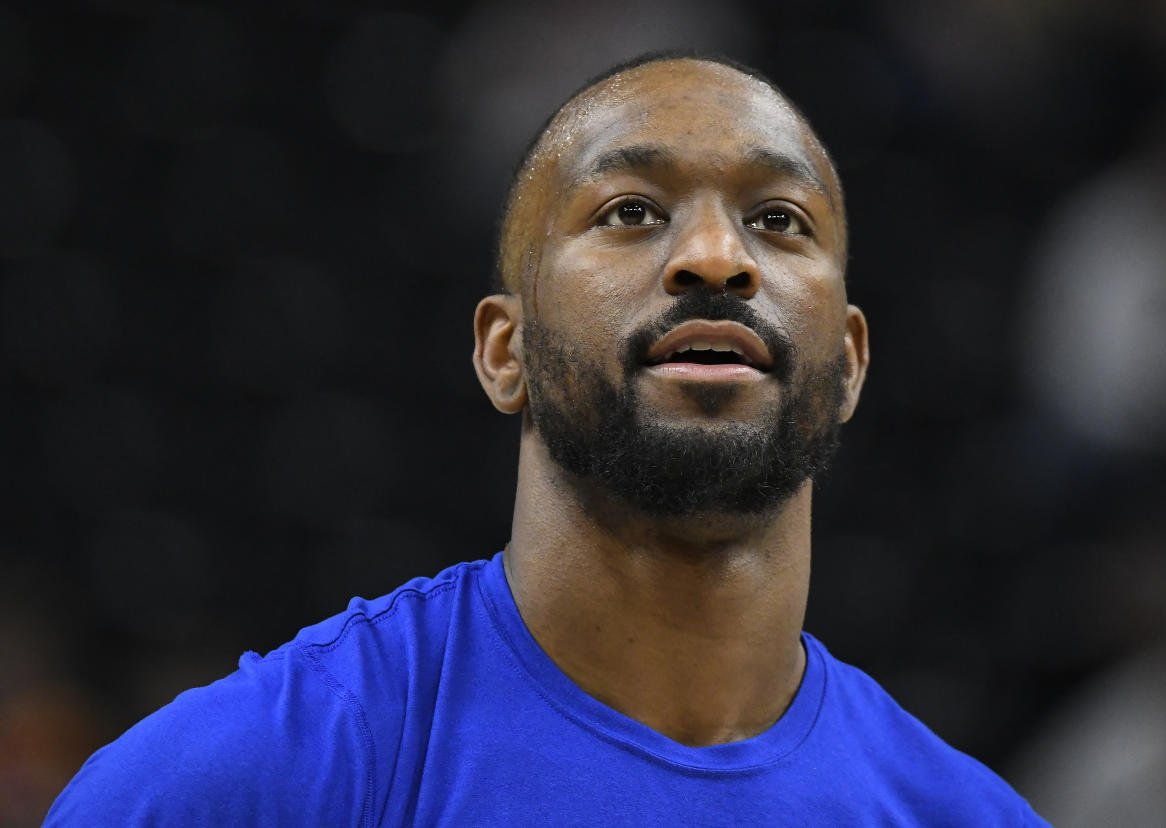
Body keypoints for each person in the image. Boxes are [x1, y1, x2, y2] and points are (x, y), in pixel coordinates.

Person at [46, 52, 1048, 826]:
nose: (714, 257)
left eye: (779, 220)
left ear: (851, 364)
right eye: (630, 210)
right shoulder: (257, 777)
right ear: (503, 350)